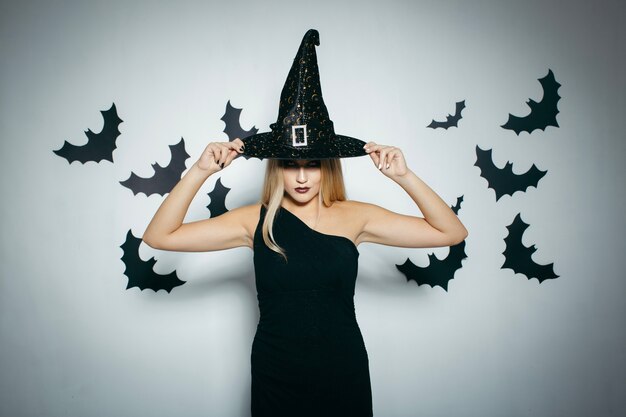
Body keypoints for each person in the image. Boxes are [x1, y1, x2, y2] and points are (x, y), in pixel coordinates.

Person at [143, 29, 468, 417]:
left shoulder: (357, 216)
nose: (301, 177)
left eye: (311, 164)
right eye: (290, 165)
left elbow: (451, 231)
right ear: (276, 169)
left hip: (341, 371)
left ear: (326, 165)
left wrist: (404, 177)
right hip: (275, 374)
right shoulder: (255, 221)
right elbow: (159, 236)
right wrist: (198, 171)